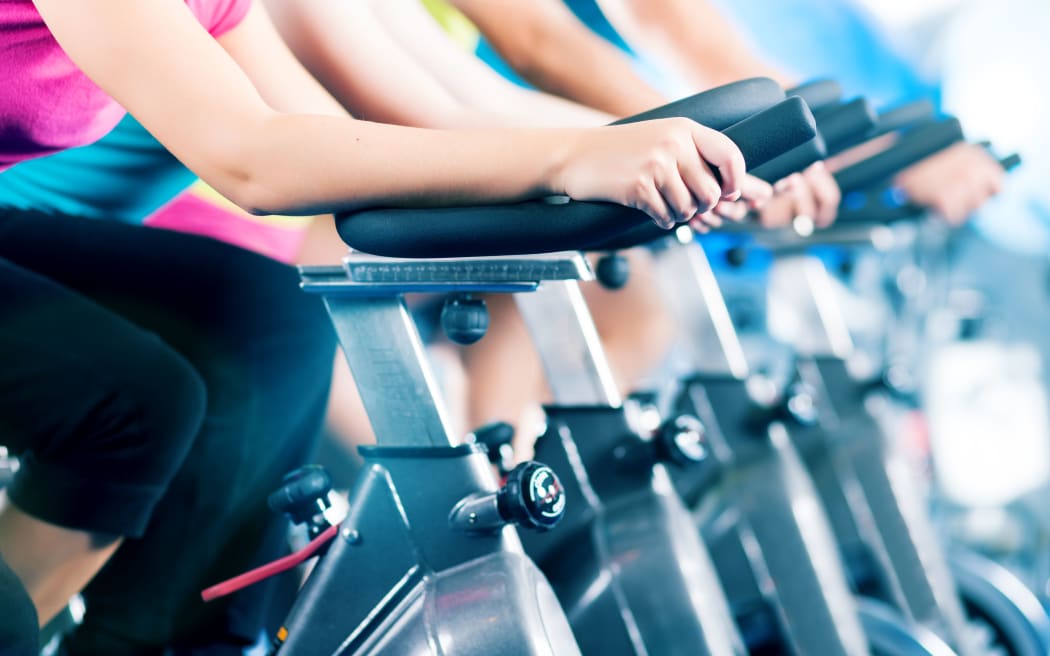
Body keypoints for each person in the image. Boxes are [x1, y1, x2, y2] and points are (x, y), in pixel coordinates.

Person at [0, 0, 758, 652]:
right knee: (139, 394)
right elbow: (251, 158)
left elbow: (334, 133)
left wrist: (638, 160)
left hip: (45, 240)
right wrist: (572, 158)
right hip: (47, 225)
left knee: (265, 319)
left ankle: (173, 643)